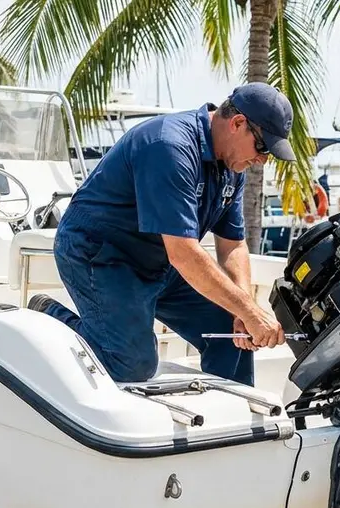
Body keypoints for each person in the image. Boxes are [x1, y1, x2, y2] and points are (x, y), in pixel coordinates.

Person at [28, 83, 296, 386]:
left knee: (231, 331)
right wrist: (249, 311)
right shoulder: (169, 145)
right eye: (263, 148)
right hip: (101, 254)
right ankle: (48, 314)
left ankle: (230, 417)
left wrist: (243, 308)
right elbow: (183, 253)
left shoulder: (232, 165)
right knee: (131, 365)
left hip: (159, 260)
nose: (263, 160)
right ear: (237, 124)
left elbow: (233, 244)